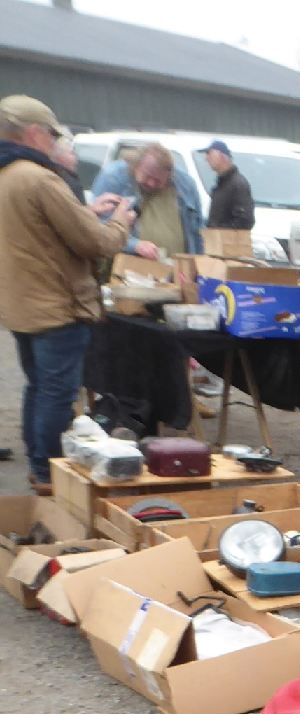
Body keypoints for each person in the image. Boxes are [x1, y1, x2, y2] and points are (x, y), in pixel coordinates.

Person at [0, 95, 135, 487]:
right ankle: (47, 472)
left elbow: (36, 230)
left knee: (39, 387)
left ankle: (38, 466)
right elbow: (95, 243)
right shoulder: (40, 178)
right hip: (55, 306)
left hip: (22, 304)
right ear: (33, 132)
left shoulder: (8, 175)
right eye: (52, 134)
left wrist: (87, 213)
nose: (55, 141)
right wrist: (121, 222)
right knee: (57, 394)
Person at [91, 142, 202, 259]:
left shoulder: (185, 184)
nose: (151, 183)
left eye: (158, 180)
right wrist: (134, 245)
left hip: (177, 265)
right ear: (136, 166)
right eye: (148, 176)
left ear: (169, 176)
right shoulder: (113, 177)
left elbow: (198, 230)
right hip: (126, 262)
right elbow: (98, 227)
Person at [202, 139, 255, 231]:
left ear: (222, 156)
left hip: (227, 240)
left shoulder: (238, 185)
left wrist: (219, 231)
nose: (206, 158)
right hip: (216, 239)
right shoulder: (221, 185)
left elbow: (245, 221)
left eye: (209, 153)